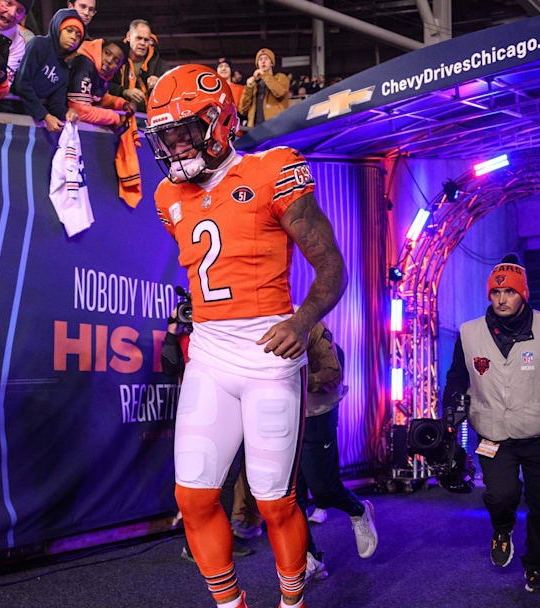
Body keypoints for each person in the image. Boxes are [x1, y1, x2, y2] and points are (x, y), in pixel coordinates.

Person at [144, 64, 348, 608]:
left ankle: (291, 600)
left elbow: (331, 265)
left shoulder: (272, 171)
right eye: (166, 134)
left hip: (268, 351)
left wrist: (302, 323)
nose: (175, 144)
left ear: (220, 120)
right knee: (193, 497)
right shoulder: (169, 196)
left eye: (184, 130)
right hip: (210, 352)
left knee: (273, 501)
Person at [441, 254, 540, 593]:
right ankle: (502, 526)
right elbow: (455, 380)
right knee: (500, 495)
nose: (501, 299)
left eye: (509, 293)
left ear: (524, 294)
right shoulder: (469, 333)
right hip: (493, 433)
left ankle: (536, 565)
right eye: (495, 293)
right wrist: (449, 415)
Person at [161, 299, 255, 563]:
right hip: (197, 418)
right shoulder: (182, 339)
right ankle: (196, 546)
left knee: (227, 480)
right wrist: (171, 330)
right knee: (199, 483)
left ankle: (221, 540)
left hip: (230, 413)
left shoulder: (226, 337)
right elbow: (169, 367)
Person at [294, 318, 377, 580]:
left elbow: (332, 373)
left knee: (323, 489)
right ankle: (309, 558)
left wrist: (292, 379)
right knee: (291, 496)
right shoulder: (244, 324)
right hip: (278, 418)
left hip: (316, 413)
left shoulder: (307, 322)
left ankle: (358, 510)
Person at [11, 7, 83, 131]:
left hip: (30, 116)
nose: (73, 37)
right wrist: (45, 116)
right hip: (7, 109)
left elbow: (56, 104)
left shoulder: (65, 69)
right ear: (58, 29)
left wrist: (68, 113)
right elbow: (22, 84)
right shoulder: (39, 44)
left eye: (78, 35)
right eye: (69, 30)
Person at [66, 39, 134, 128]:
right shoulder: (84, 64)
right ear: (100, 50)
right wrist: (115, 118)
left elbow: (97, 97)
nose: (109, 61)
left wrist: (121, 104)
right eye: (107, 53)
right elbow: (80, 111)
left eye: (116, 61)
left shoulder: (102, 73)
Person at [108, 18, 162, 113]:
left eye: (146, 40)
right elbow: (103, 85)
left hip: (148, 118)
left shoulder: (157, 63)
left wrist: (160, 82)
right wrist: (124, 91)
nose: (142, 43)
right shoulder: (115, 57)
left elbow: (171, 87)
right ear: (129, 36)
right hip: (117, 114)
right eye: (139, 38)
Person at [238, 48, 290, 128]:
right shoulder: (254, 84)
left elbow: (280, 92)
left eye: (266, 59)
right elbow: (243, 110)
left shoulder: (281, 77)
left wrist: (264, 75)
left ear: (272, 63)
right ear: (257, 65)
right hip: (255, 129)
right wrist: (248, 87)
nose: (263, 61)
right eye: (260, 59)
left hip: (275, 127)